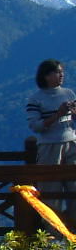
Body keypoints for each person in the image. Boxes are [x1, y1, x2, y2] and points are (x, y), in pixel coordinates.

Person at [25, 58, 76, 215]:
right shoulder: (36, 99)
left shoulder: (69, 94)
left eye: (62, 72)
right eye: (57, 72)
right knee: (50, 190)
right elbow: (35, 126)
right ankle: (51, 227)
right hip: (49, 146)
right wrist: (57, 115)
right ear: (46, 76)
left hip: (72, 143)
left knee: (74, 187)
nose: (61, 75)